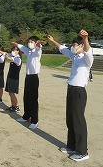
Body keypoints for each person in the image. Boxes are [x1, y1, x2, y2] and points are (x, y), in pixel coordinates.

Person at [47, 29, 93, 162]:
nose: (73, 47)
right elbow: (62, 48)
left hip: (79, 91)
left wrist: (85, 38)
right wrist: (53, 40)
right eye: (72, 45)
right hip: (71, 89)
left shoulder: (86, 58)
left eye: (75, 45)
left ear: (81, 46)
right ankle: (72, 146)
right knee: (70, 119)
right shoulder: (74, 56)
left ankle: (82, 151)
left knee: (78, 121)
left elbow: (89, 52)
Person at [11, 36, 45, 130]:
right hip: (28, 76)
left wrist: (38, 43)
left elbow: (38, 46)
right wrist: (16, 44)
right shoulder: (29, 51)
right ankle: (26, 116)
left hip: (34, 77)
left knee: (33, 99)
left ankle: (35, 121)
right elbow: (22, 47)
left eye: (31, 42)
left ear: (35, 43)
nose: (29, 43)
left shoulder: (37, 51)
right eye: (29, 41)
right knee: (26, 97)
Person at [4, 46, 22, 112]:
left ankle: (16, 106)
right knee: (10, 92)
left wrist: (6, 55)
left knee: (12, 93)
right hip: (10, 77)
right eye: (13, 50)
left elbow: (8, 58)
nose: (13, 51)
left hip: (14, 78)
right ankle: (13, 105)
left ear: (18, 51)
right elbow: (6, 54)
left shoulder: (18, 59)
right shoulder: (14, 57)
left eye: (15, 50)